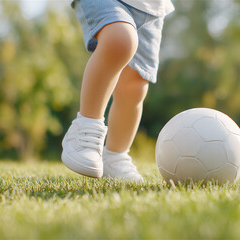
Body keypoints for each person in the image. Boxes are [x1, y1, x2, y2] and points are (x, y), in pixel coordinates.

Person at [62, 0, 174, 181]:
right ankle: (85, 129)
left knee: (135, 85)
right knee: (120, 40)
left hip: (151, 6)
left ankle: (115, 156)